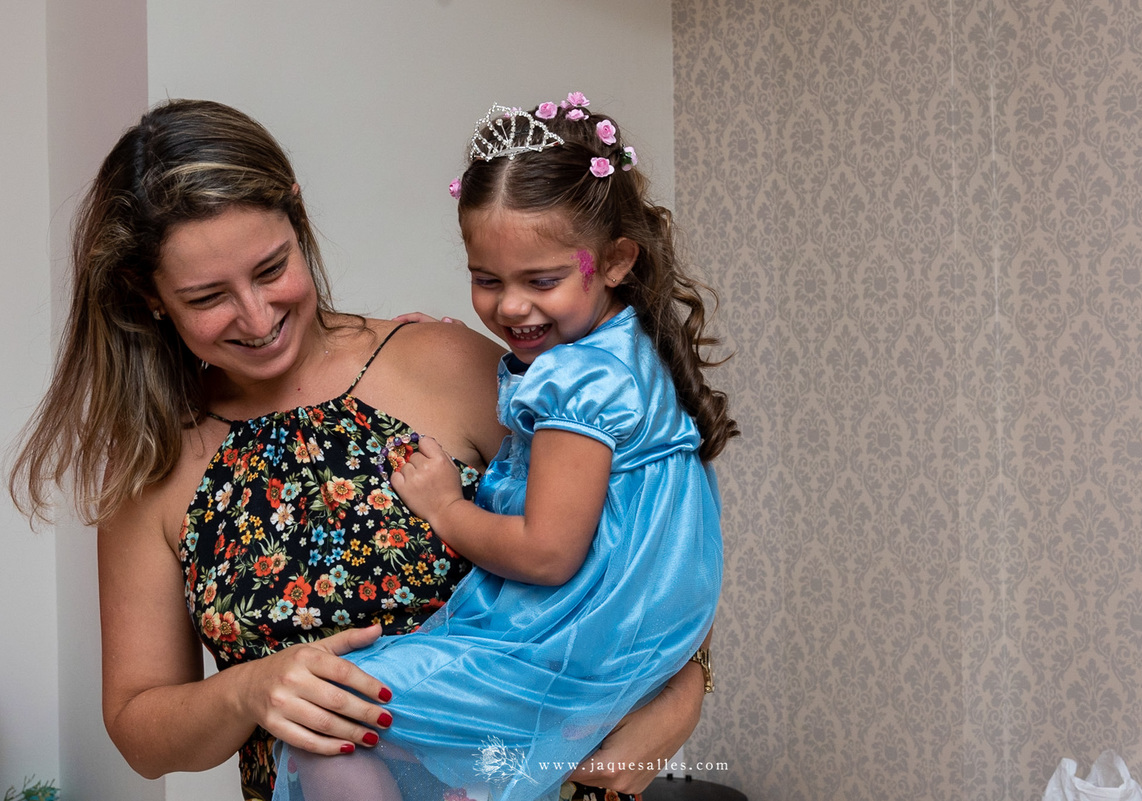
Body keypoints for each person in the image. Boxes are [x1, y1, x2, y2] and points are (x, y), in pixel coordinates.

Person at [7, 98, 713, 801]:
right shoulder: (153, 463)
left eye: (271, 268)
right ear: (150, 294)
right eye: (207, 296)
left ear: (297, 215)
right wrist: (250, 690)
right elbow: (140, 731)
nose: (257, 316)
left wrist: (679, 700)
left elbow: (645, 537)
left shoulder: (445, 364)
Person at [275, 94, 738, 801]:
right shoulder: (629, 346)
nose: (511, 306)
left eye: (541, 280)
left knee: (331, 707)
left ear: (616, 260)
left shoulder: (574, 383)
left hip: (574, 637)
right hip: (633, 632)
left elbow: (547, 554)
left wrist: (444, 508)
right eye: (486, 280)